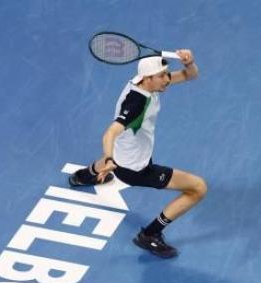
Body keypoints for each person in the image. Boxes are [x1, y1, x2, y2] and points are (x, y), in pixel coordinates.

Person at [69, 50, 207, 258]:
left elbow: (190, 75)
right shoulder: (136, 105)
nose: (166, 80)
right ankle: (150, 234)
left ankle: (82, 176)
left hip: (123, 153)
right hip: (135, 168)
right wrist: (108, 159)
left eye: (166, 74)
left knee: (115, 157)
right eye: (162, 76)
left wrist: (189, 63)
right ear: (147, 78)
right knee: (198, 188)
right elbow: (110, 133)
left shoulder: (143, 81)